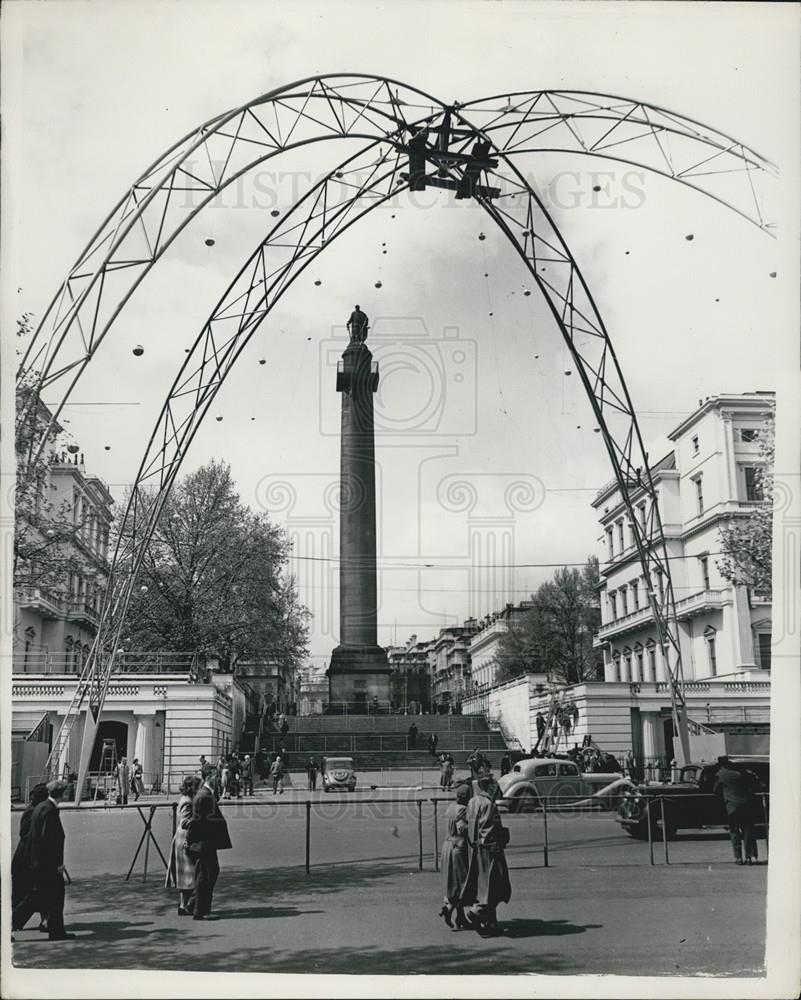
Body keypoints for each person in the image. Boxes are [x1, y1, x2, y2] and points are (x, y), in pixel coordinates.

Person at [14, 780, 74, 940]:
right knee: (38, 899)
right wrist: (57, 865)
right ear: (62, 794)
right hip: (47, 865)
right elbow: (49, 840)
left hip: (39, 863)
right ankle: (10, 924)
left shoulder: (41, 807)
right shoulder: (49, 810)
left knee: (50, 898)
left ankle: (56, 931)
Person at [460, 774, 512, 935]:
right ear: (490, 787)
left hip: (475, 848)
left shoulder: (473, 801)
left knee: (483, 884)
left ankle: (491, 923)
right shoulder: (488, 804)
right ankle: (478, 912)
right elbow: (487, 827)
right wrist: (492, 843)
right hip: (488, 848)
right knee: (493, 882)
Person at [186, 766, 228, 920]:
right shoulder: (204, 795)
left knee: (210, 873)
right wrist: (190, 841)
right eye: (217, 776)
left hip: (207, 841)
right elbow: (196, 822)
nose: (219, 779)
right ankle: (198, 910)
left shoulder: (207, 793)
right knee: (204, 876)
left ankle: (194, 904)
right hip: (203, 842)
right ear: (209, 776)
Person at [11, 782, 50, 933]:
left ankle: (45, 919)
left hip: (31, 857)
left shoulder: (36, 809)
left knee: (39, 890)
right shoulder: (32, 811)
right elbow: (25, 833)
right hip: (27, 858)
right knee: (29, 892)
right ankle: (14, 921)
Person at [714, 757, 760, 865]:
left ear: (720, 765)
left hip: (732, 807)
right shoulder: (740, 774)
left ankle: (738, 857)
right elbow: (750, 785)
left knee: (734, 832)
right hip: (746, 805)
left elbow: (715, 790)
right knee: (748, 831)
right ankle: (751, 856)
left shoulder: (720, 775)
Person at [167, 775, 201, 914]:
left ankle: (183, 905)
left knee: (185, 874)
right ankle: (185, 905)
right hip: (185, 838)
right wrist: (199, 819)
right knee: (189, 872)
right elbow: (185, 822)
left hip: (182, 837)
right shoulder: (187, 801)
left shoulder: (186, 799)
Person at [438, 783, 471, 930]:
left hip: (446, 845)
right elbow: (461, 828)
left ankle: (461, 917)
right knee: (462, 882)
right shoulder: (463, 810)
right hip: (457, 847)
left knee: (453, 882)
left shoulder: (451, 807)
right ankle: (450, 908)